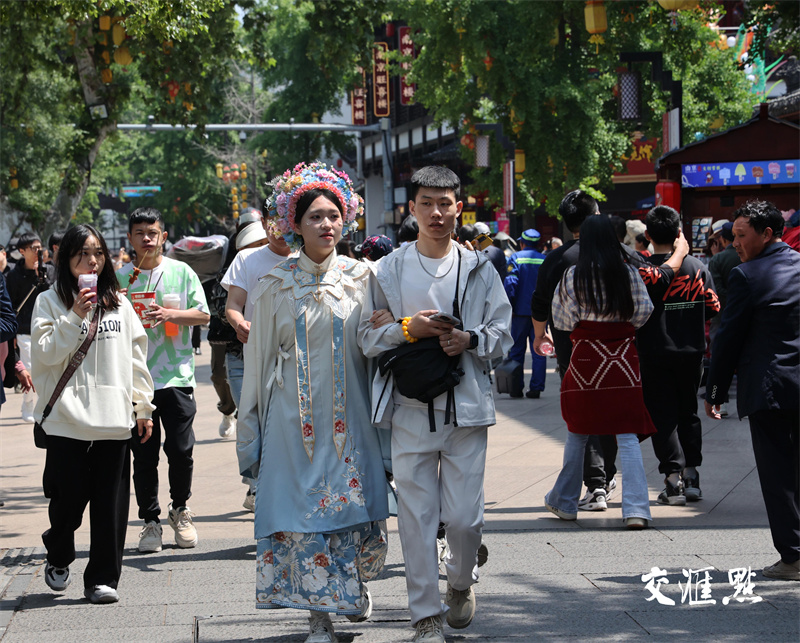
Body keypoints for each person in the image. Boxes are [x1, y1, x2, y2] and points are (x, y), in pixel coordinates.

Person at [236, 162, 390, 643]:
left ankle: (350, 587)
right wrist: (251, 434)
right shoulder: (274, 286)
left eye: (334, 215)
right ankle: (318, 615)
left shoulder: (365, 278)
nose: (327, 224)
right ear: (294, 226)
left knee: (353, 507)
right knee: (304, 516)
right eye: (315, 217)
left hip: (353, 417)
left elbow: (380, 351)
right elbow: (258, 364)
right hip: (291, 421)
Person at [359, 166, 512, 643]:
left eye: (445, 203)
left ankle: (461, 582)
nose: (436, 213)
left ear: (459, 208)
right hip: (408, 408)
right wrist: (407, 328)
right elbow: (366, 337)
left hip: (466, 407)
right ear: (413, 207)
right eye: (427, 203)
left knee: (465, 519)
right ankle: (424, 616)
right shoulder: (387, 270)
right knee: (416, 517)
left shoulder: (479, 268)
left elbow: (503, 334)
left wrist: (469, 338)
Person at [31, 224, 154, 604]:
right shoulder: (49, 302)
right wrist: (74, 316)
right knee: (66, 499)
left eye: (98, 252)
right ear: (66, 258)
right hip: (67, 420)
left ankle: (102, 578)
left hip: (114, 421)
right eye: (83, 253)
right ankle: (59, 552)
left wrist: (143, 405)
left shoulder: (118, 300)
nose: (92, 260)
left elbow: (135, 358)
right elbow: (47, 354)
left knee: (110, 505)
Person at [705, 200, 800, 581]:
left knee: (778, 475)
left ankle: (793, 557)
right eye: (735, 235)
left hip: (771, 389)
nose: (736, 243)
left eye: (742, 236)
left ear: (767, 234)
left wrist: (714, 389)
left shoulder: (747, 276)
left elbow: (727, 338)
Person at [545, 215, 655, 530]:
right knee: (628, 432)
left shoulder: (572, 276)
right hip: (622, 358)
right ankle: (636, 509)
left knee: (578, 431)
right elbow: (644, 312)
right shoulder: (630, 274)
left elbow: (561, 321)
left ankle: (565, 503)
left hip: (585, 361)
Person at [117, 207, 210, 554]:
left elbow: (203, 314)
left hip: (177, 374)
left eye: (152, 232)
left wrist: (171, 313)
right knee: (143, 455)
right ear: (130, 238)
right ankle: (150, 521)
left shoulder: (181, 273)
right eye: (139, 232)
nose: (146, 238)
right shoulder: (121, 277)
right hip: (135, 378)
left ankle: (180, 508)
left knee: (181, 450)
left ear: (163, 236)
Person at [638, 206, 719, 505]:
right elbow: (713, 307)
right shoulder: (698, 267)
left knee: (662, 415)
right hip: (692, 351)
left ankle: (673, 481)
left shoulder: (643, 271)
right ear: (678, 234)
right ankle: (693, 476)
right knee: (688, 412)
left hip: (653, 351)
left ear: (647, 235)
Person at [223, 216, 294, 511]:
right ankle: (263, 494)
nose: (281, 230)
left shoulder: (307, 258)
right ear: (265, 222)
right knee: (259, 431)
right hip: (254, 361)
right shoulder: (246, 259)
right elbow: (233, 306)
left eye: (288, 221)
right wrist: (239, 323)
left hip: (297, 364)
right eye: (275, 222)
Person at [6, 232, 53, 422]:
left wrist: (41, 277)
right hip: (24, 329)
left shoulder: (48, 271)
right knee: (30, 368)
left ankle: (44, 405)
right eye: (33, 249)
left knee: (47, 367)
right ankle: (28, 402)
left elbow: (52, 297)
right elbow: (9, 305)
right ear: (22, 251)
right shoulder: (13, 275)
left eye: (40, 248)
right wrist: (12, 332)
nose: (37, 253)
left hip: (47, 326)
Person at [504, 228, 547, 398]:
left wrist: (509, 308)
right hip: (540, 315)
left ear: (522, 243)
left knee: (516, 350)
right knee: (539, 350)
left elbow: (510, 284)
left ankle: (515, 388)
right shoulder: (544, 260)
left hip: (519, 314)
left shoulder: (515, 258)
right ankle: (536, 388)